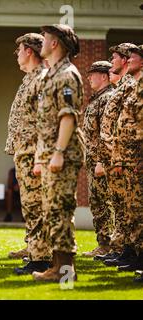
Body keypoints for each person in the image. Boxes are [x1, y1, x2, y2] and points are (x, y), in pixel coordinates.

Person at [31, 24, 83, 282]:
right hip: (51, 153)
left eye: (46, 38)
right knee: (52, 211)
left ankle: (65, 272)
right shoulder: (51, 75)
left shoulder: (67, 76)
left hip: (63, 153)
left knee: (61, 210)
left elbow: (68, 116)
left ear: (55, 44)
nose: (42, 41)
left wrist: (59, 152)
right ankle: (57, 266)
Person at [4, 33, 52, 275]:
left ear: (30, 52)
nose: (17, 55)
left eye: (20, 50)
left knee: (37, 205)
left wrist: (41, 157)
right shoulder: (30, 80)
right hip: (25, 152)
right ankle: (36, 251)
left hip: (34, 154)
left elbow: (47, 121)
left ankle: (41, 259)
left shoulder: (42, 80)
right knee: (31, 205)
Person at [96, 43, 140, 266]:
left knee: (130, 207)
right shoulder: (125, 84)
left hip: (127, 155)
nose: (111, 60)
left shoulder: (131, 84)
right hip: (116, 155)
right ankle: (125, 250)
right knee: (123, 206)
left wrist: (119, 155)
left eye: (115, 57)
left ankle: (130, 251)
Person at [106, 44, 142, 275]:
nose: (128, 61)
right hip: (123, 156)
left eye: (132, 57)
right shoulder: (133, 85)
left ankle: (135, 253)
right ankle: (131, 251)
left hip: (133, 157)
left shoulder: (134, 85)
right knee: (129, 208)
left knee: (136, 209)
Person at [81, 61, 115, 257]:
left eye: (92, 74)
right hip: (93, 159)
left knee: (104, 202)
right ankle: (104, 244)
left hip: (101, 161)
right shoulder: (97, 99)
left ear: (104, 76)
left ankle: (108, 245)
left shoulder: (107, 98)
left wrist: (102, 161)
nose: (89, 78)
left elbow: (106, 132)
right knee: (97, 202)